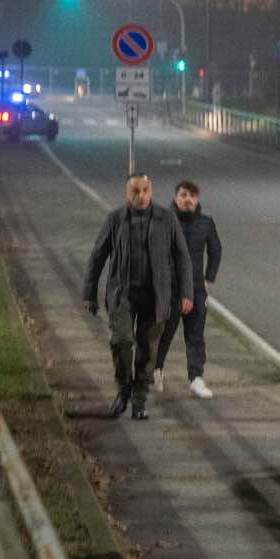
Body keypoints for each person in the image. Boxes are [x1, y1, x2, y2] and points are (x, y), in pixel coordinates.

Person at [82, 173, 193, 421]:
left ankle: (139, 400)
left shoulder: (167, 220)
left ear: (151, 192)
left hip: (155, 297)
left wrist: (186, 293)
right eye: (135, 191)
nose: (140, 195)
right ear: (127, 193)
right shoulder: (115, 220)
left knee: (147, 350)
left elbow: (182, 257)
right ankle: (123, 390)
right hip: (122, 293)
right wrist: (89, 292)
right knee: (121, 341)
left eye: (144, 190)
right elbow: (97, 256)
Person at [154, 180, 222, 399]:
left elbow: (216, 250)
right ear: (176, 197)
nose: (188, 199)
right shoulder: (164, 221)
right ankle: (156, 371)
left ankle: (196, 379)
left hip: (195, 290)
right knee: (164, 333)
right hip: (170, 289)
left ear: (197, 199)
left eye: (192, 196)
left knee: (195, 335)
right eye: (183, 195)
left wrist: (208, 278)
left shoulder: (205, 223)